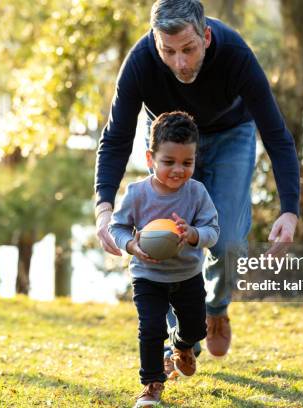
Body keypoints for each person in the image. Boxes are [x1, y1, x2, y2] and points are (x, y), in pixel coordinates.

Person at [95, 0, 300, 359]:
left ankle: (217, 311)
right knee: (162, 237)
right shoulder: (140, 62)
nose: (180, 63)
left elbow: (276, 134)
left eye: (188, 49)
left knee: (229, 241)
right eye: (168, 51)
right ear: (156, 43)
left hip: (230, 134)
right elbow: (115, 138)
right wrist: (103, 207)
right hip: (169, 139)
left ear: (205, 36)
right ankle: (182, 339)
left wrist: (290, 210)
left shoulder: (235, 54)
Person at [109, 111, 219, 407]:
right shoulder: (137, 194)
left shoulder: (197, 193)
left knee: (196, 329)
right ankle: (152, 384)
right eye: (168, 162)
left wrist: (193, 233)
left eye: (187, 162)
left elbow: (213, 231)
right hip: (148, 275)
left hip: (187, 275)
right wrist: (131, 244)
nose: (178, 170)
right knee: (150, 328)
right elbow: (116, 227)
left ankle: (182, 345)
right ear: (150, 159)